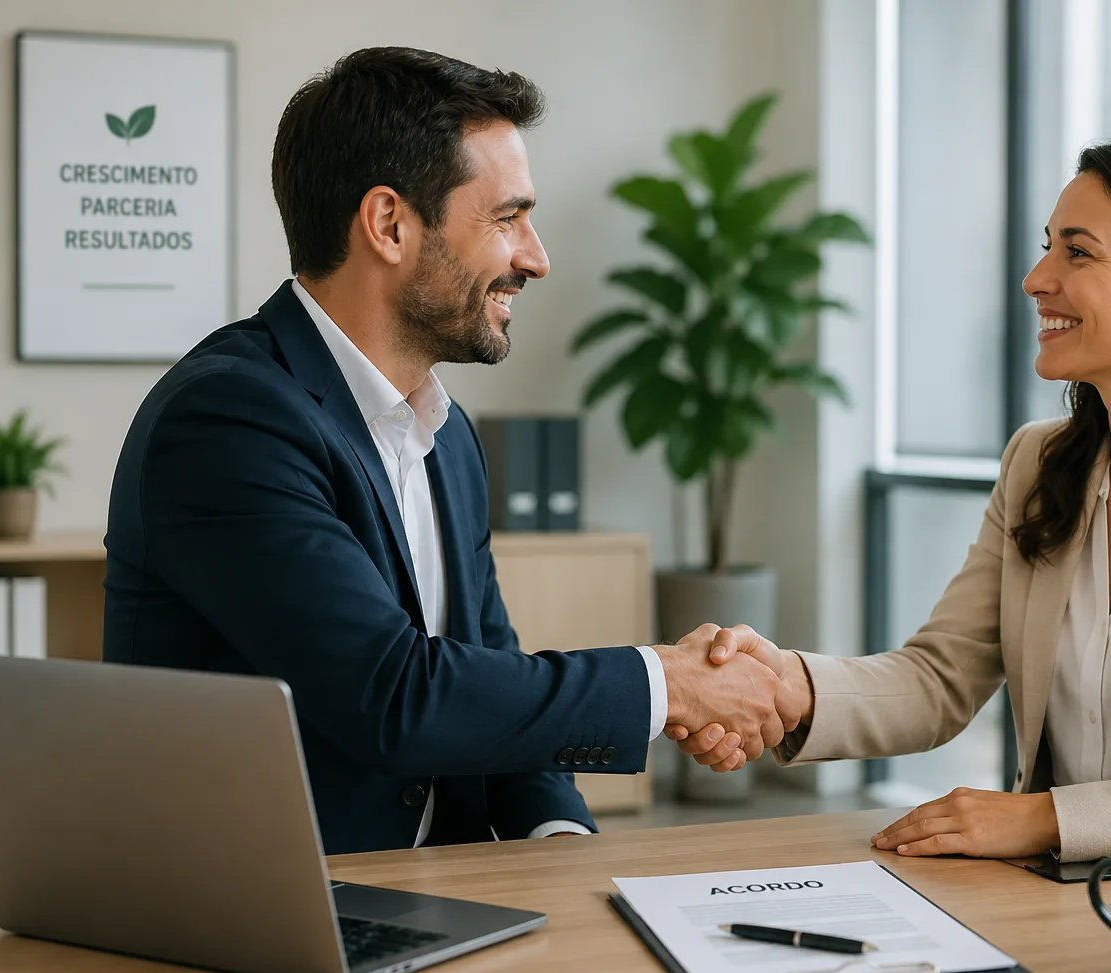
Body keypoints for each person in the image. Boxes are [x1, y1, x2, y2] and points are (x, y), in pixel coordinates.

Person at [103, 47, 788, 856]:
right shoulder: (228, 419)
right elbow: (393, 695)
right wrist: (667, 684)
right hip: (262, 918)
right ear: (389, 224)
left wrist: (557, 840)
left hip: (437, 899)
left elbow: (485, 677)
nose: (535, 257)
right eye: (507, 218)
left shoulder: (446, 437)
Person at [670, 134, 1111, 864]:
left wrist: (1045, 819)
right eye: (1048, 247)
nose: (1036, 278)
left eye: (1077, 252)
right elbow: (940, 679)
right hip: (1056, 900)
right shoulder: (1039, 464)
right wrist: (786, 684)